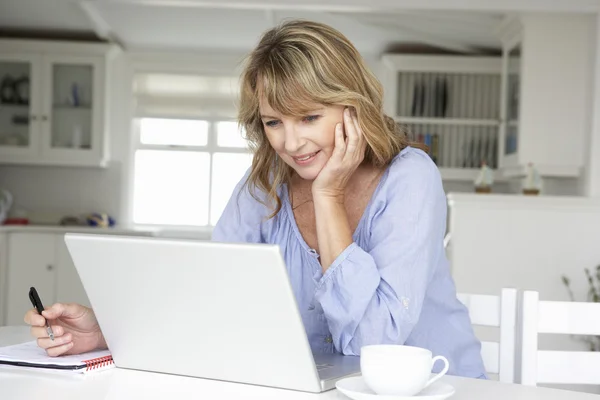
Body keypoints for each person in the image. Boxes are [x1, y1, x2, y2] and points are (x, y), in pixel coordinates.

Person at [24, 19, 486, 378]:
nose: (291, 143)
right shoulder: (264, 184)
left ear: (352, 105)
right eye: (273, 122)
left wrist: (327, 196)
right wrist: (108, 331)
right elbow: (211, 297)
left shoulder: (410, 178)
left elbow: (371, 344)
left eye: (308, 116)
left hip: (435, 389)